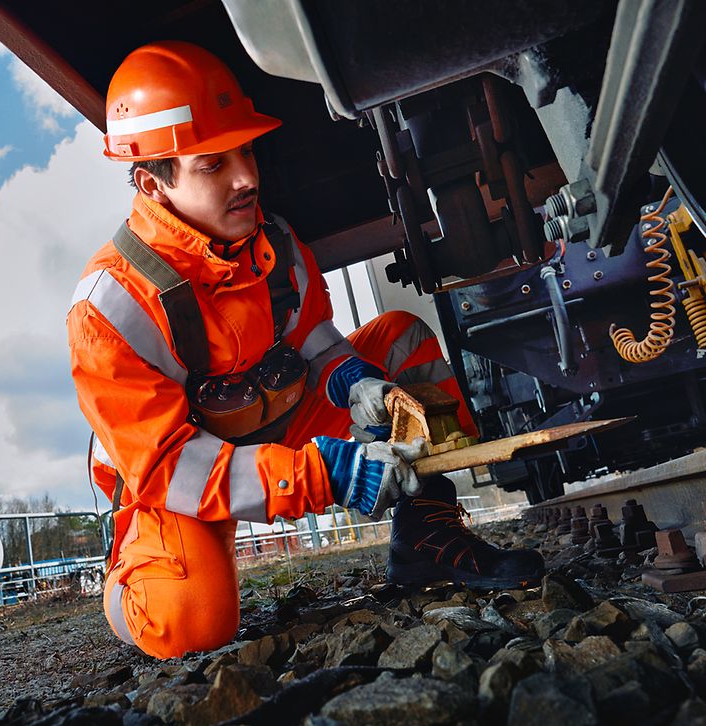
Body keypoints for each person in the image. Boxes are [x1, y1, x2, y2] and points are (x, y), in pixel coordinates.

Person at [68, 41, 543, 659]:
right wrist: (325, 473)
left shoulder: (274, 240)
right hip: (174, 469)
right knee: (188, 625)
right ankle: (125, 575)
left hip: (272, 420)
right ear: (152, 183)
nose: (246, 176)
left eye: (245, 149)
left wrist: (354, 380)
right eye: (213, 163)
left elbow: (313, 336)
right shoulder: (108, 311)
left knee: (403, 341)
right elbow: (171, 466)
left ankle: (428, 533)